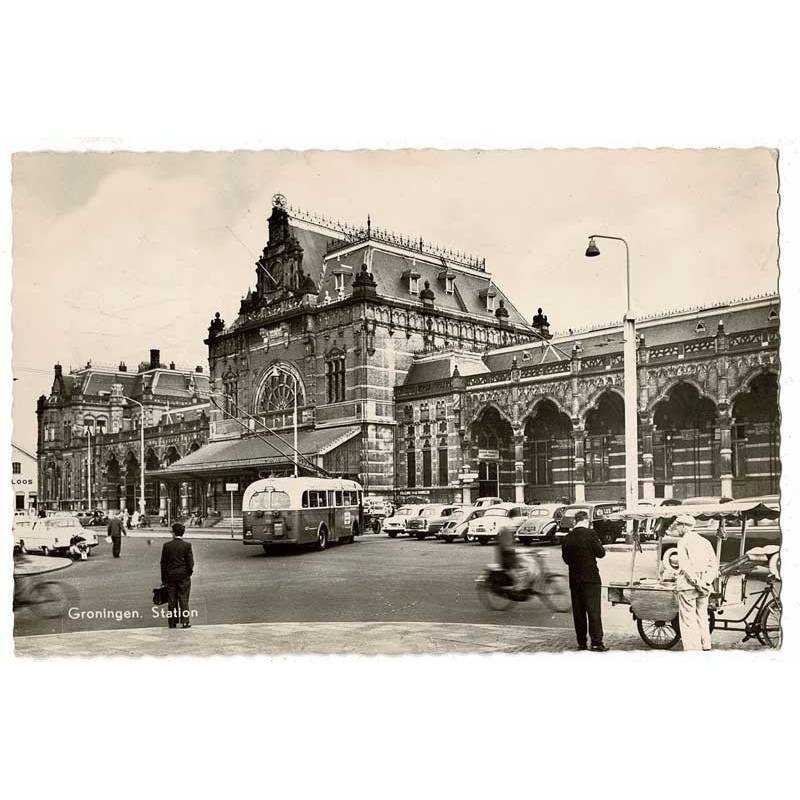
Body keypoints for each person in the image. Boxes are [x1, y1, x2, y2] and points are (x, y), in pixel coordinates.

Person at [561, 510, 608, 651]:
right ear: (586, 521)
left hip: (575, 580)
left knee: (579, 612)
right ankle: (596, 643)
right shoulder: (590, 534)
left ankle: (581, 642)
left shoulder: (567, 537)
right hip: (591, 579)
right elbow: (601, 553)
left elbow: (566, 559)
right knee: (593, 611)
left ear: (576, 521)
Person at [672, 514, 718, 651]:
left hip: (688, 586)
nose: (677, 528)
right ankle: (706, 645)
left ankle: (693, 649)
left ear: (685, 526)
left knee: (688, 619)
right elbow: (714, 566)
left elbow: (685, 567)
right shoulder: (705, 542)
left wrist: (697, 583)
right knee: (702, 616)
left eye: (678, 525)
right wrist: (706, 582)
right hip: (705, 585)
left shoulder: (683, 542)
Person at [160, 522, 194, 629]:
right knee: (183, 599)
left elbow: (163, 563)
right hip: (183, 576)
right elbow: (190, 563)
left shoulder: (167, 546)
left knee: (172, 600)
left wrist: (164, 578)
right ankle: (185, 622)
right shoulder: (187, 546)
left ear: (174, 533)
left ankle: (172, 622)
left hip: (170, 577)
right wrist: (188, 573)